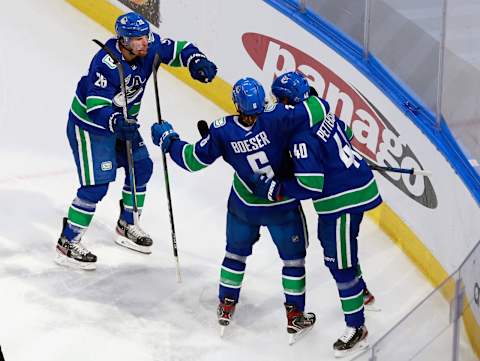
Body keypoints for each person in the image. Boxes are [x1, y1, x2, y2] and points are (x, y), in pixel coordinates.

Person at [151, 77, 329, 342]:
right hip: (281, 206)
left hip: (243, 206)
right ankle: (295, 314)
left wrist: (168, 140)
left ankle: (226, 304)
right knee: (293, 261)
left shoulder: (222, 130)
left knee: (234, 255)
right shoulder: (278, 117)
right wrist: (305, 93)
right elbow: (320, 109)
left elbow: (191, 161)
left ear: (236, 104)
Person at [56, 12, 217, 270]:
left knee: (141, 167)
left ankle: (127, 224)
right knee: (96, 187)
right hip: (91, 127)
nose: (145, 42)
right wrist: (116, 123)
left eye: (146, 36)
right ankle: (68, 242)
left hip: (124, 125)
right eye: (138, 39)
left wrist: (197, 61)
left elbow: (180, 49)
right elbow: (95, 105)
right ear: (123, 41)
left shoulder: (149, 48)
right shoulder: (105, 63)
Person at [249, 71, 382, 357]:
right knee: (338, 249)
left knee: (339, 262)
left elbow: (311, 184)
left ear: (288, 102)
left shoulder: (301, 136)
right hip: (351, 190)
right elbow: (345, 134)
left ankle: (357, 326)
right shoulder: (320, 107)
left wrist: (276, 188)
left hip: (342, 201)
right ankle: (363, 293)